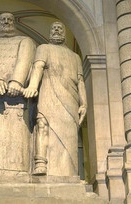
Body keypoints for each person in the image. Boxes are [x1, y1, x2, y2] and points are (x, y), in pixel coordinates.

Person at [23, 21, 86, 176]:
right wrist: (32, 86)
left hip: (70, 98)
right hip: (48, 93)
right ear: (50, 32)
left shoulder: (75, 57)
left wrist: (84, 103)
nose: (57, 30)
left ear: (64, 32)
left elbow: (80, 81)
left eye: (60, 28)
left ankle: (69, 171)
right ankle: (40, 164)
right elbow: (38, 67)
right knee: (42, 124)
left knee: (69, 135)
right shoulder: (43, 48)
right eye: (54, 28)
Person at [0, 12, 36, 176]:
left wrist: (17, 81)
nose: (6, 21)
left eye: (10, 19)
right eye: (3, 19)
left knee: (17, 139)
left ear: (14, 23)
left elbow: (24, 60)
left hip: (18, 97)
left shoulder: (24, 41)